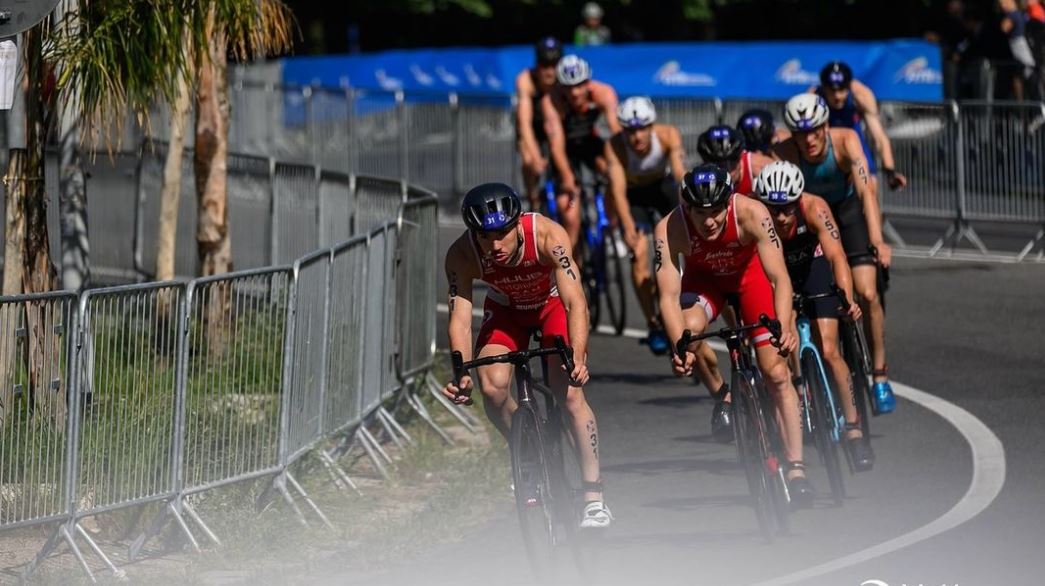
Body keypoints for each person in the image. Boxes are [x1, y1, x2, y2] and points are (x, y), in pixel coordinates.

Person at [442, 183, 612, 528]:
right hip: (507, 311)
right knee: (492, 387)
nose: (494, 245)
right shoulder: (461, 254)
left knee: (569, 393)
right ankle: (528, 450)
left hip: (552, 304)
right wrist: (461, 371)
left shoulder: (549, 235)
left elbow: (575, 302)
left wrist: (578, 357)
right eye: (484, 236)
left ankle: (593, 497)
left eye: (502, 234)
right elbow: (460, 319)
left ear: (518, 224)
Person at [653, 164, 813, 505]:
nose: (708, 221)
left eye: (715, 211)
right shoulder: (669, 228)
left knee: (776, 373)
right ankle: (722, 393)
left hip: (749, 279)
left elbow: (779, 278)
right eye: (699, 213)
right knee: (689, 332)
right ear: (687, 208)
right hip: (705, 283)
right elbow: (667, 296)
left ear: (728, 203)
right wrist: (679, 348)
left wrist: (784, 326)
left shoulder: (752, 213)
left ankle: (797, 467)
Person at [774, 93, 896, 415]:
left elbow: (866, 192)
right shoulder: (784, 152)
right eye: (801, 133)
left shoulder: (846, 141)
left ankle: (880, 373)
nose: (809, 140)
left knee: (867, 292)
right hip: (813, 221)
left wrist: (877, 240)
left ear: (826, 126)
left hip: (847, 212)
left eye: (815, 131)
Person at [753, 160, 875, 471]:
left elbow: (836, 256)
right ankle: (799, 387)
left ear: (798, 201)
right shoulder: (755, 218)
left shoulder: (814, 208)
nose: (781, 216)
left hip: (813, 271)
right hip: (778, 278)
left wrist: (846, 298)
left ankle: (854, 429)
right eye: (773, 209)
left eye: (787, 208)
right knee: (786, 336)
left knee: (830, 350)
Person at [603, 96, 686, 355]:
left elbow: (680, 175)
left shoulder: (668, 135)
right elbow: (618, 192)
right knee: (638, 254)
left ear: (651, 126)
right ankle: (653, 322)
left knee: (682, 239)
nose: (637, 137)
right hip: (633, 196)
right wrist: (628, 228)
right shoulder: (615, 146)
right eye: (630, 130)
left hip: (661, 189)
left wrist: (690, 210)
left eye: (642, 129)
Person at [542, 55, 620, 252]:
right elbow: (556, 145)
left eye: (579, 85)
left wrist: (619, 165)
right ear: (560, 86)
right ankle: (572, 259)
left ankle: (613, 225)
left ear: (588, 82)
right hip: (566, 152)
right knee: (570, 215)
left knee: (615, 174)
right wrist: (567, 178)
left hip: (591, 146)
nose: (575, 92)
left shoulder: (604, 93)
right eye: (568, 87)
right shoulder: (551, 101)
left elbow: (617, 133)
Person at [813, 61, 908, 192]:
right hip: (829, 155)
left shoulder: (861, 95)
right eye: (832, 90)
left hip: (857, 154)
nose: (837, 96)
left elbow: (880, 138)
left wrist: (890, 173)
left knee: (869, 185)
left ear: (849, 86)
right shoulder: (813, 98)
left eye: (841, 89)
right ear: (824, 88)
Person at [515, 37, 562, 211]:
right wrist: (535, 157)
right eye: (545, 65)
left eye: (554, 65)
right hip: (531, 128)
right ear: (537, 65)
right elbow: (524, 124)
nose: (550, 72)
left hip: (554, 126)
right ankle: (533, 200)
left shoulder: (564, 79)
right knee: (529, 162)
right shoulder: (526, 80)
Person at [697, 124, 776, 197]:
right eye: (719, 165)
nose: (727, 169)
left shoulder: (761, 168)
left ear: (740, 155)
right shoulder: (699, 179)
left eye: (732, 161)